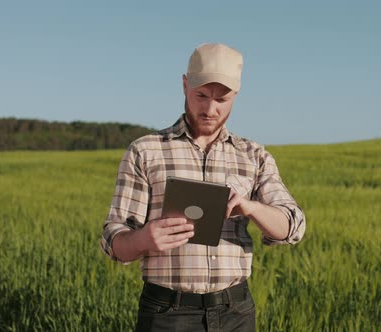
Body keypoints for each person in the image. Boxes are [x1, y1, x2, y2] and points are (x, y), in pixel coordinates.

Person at [100, 43, 306, 332]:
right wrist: (143, 239)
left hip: (237, 312)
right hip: (166, 314)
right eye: (201, 96)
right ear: (184, 85)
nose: (210, 109)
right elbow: (114, 240)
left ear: (236, 95)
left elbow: (292, 226)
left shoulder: (254, 156)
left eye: (222, 99)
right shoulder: (145, 151)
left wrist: (251, 207)